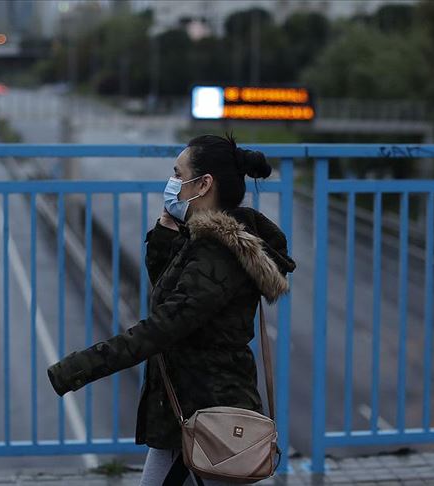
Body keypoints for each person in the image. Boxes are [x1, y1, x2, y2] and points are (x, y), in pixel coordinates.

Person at [47, 133, 296, 485]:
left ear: (204, 184)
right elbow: (170, 291)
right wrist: (167, 228)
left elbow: (165, 325)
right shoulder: (202, 240)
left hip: (210, 414)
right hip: (187, 410)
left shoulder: (218, 253)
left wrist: (78, 367)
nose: (172, 182)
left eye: (178, 174)